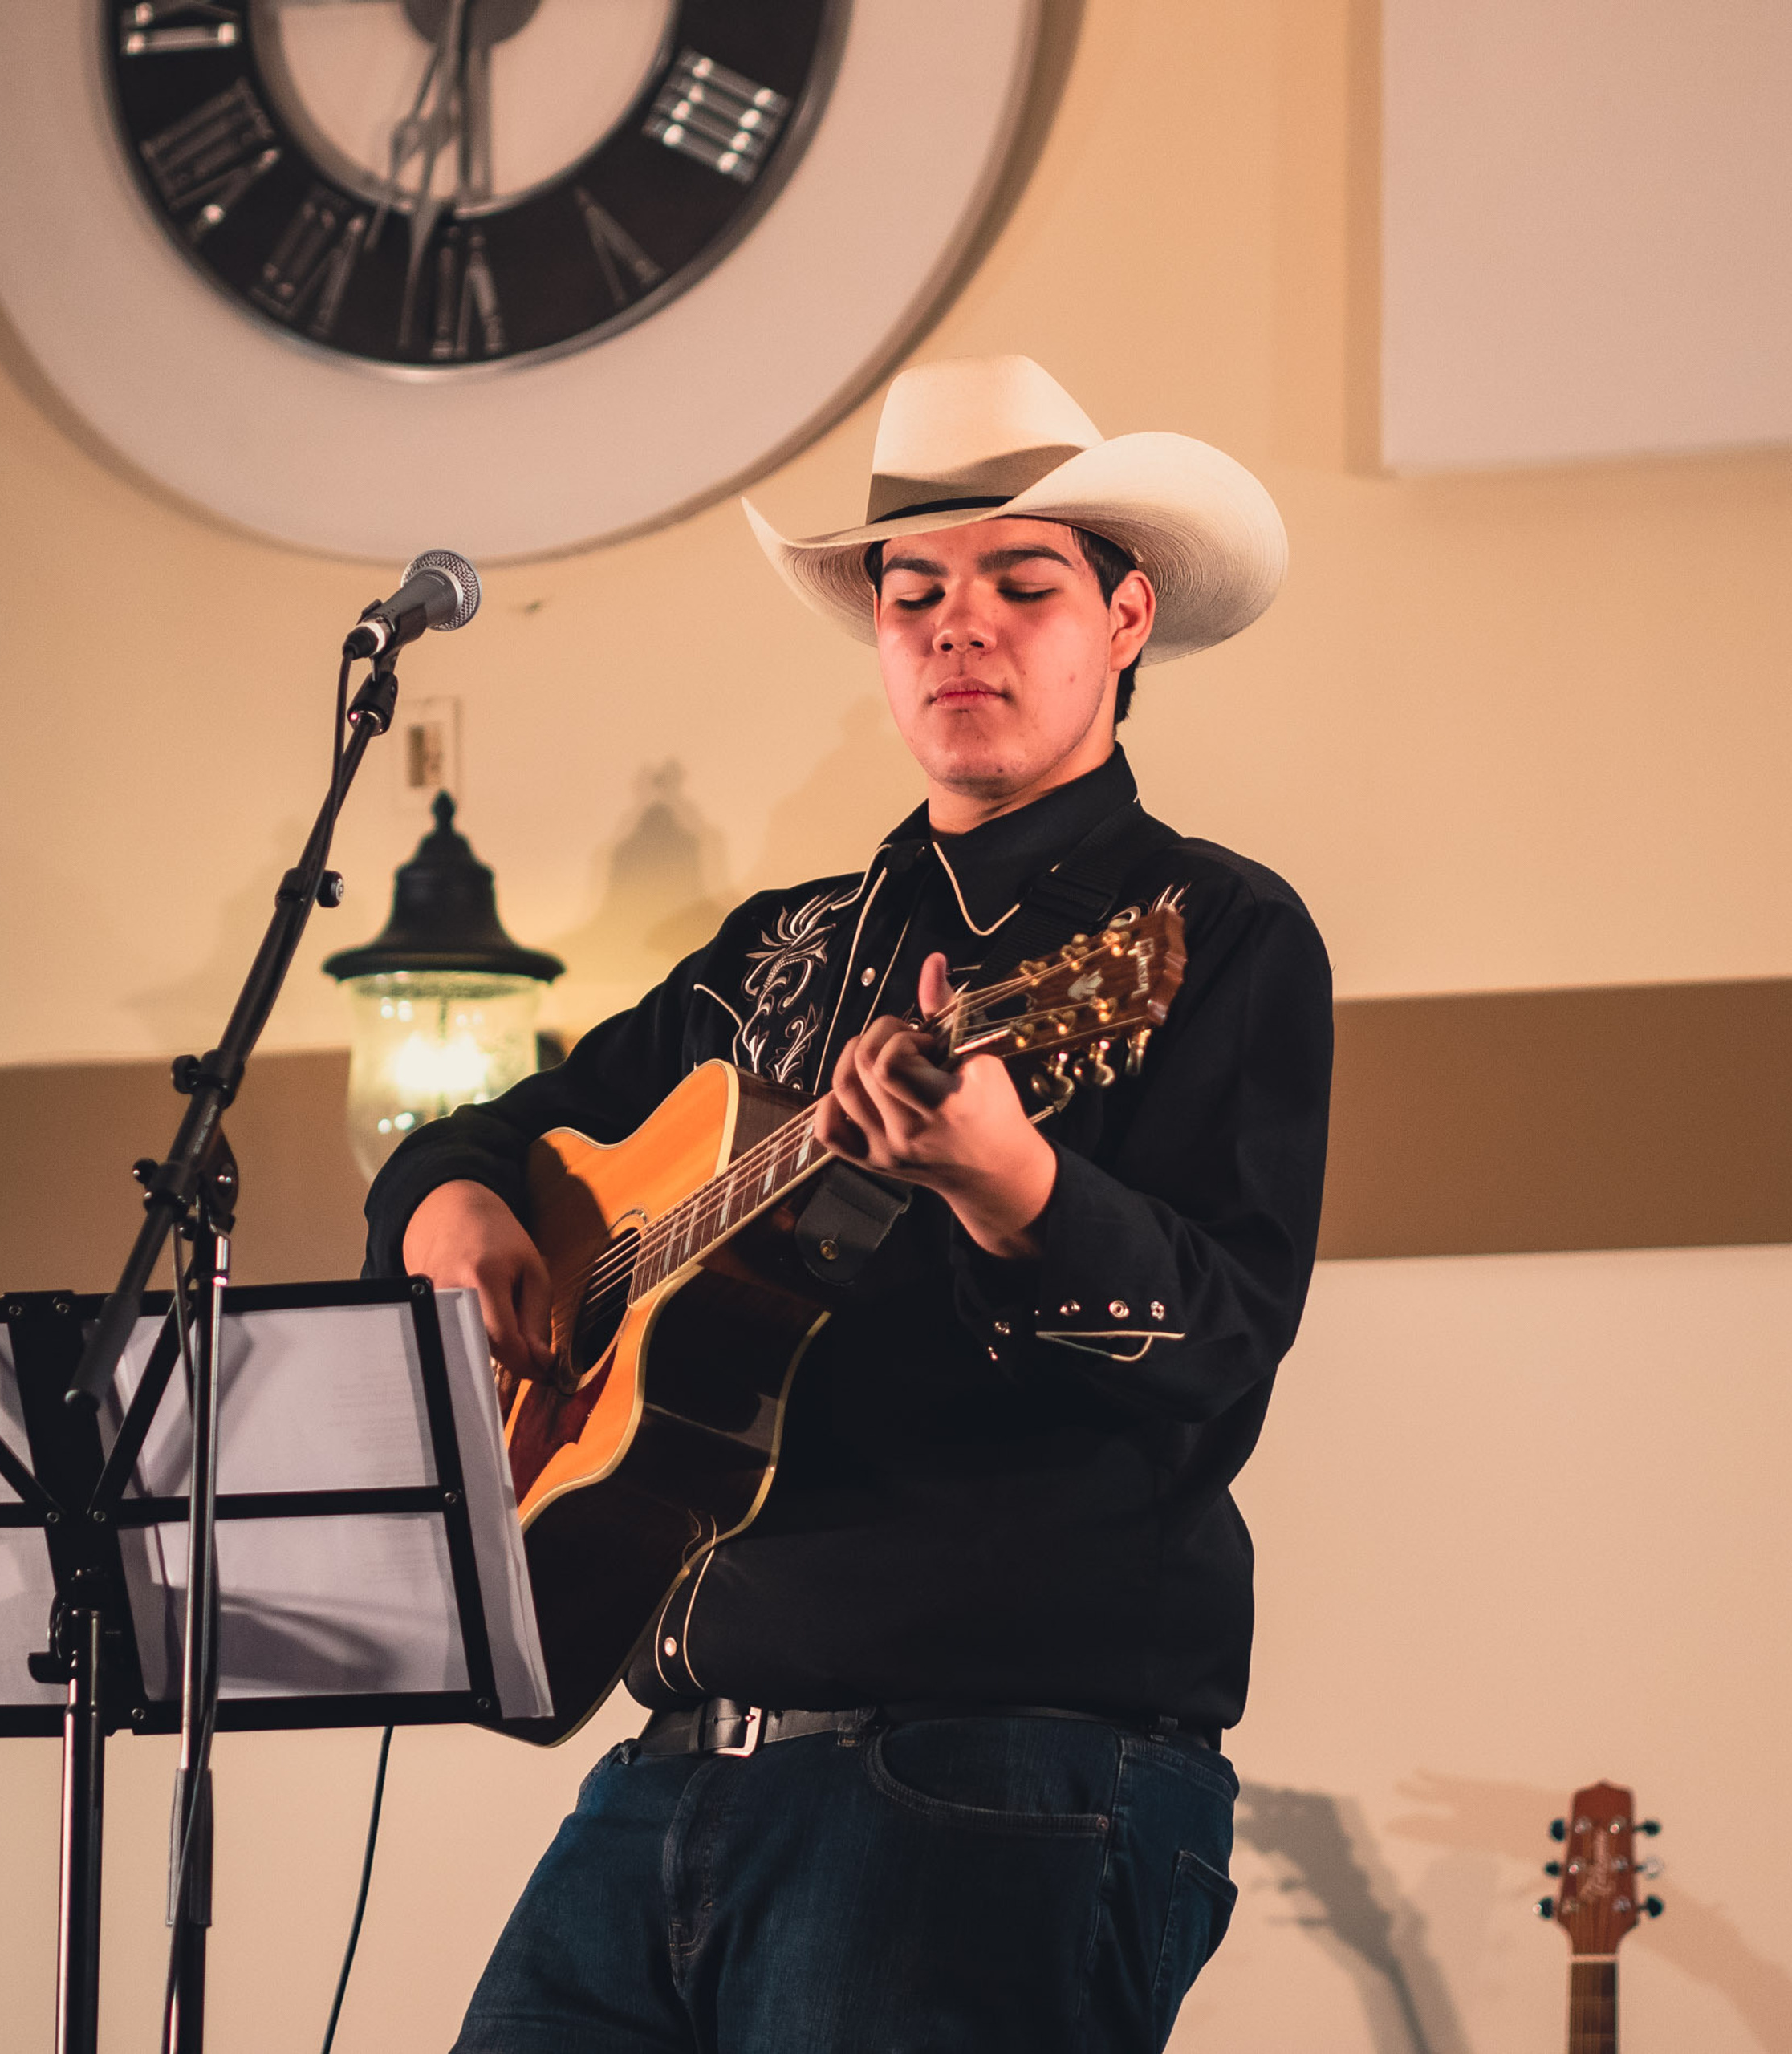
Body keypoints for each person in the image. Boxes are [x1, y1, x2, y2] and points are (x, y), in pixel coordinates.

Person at [364, 355, 1333, 2052]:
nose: (957, 626)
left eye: (1020, 585)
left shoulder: (1203, 933)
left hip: (991, 1766)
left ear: (1122, 617)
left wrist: (1009, 1179)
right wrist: (445, 1197)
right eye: (913, 594)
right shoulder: (773, 950)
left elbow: (1219, 1346)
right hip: (668, 1760)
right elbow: (515, 1128)